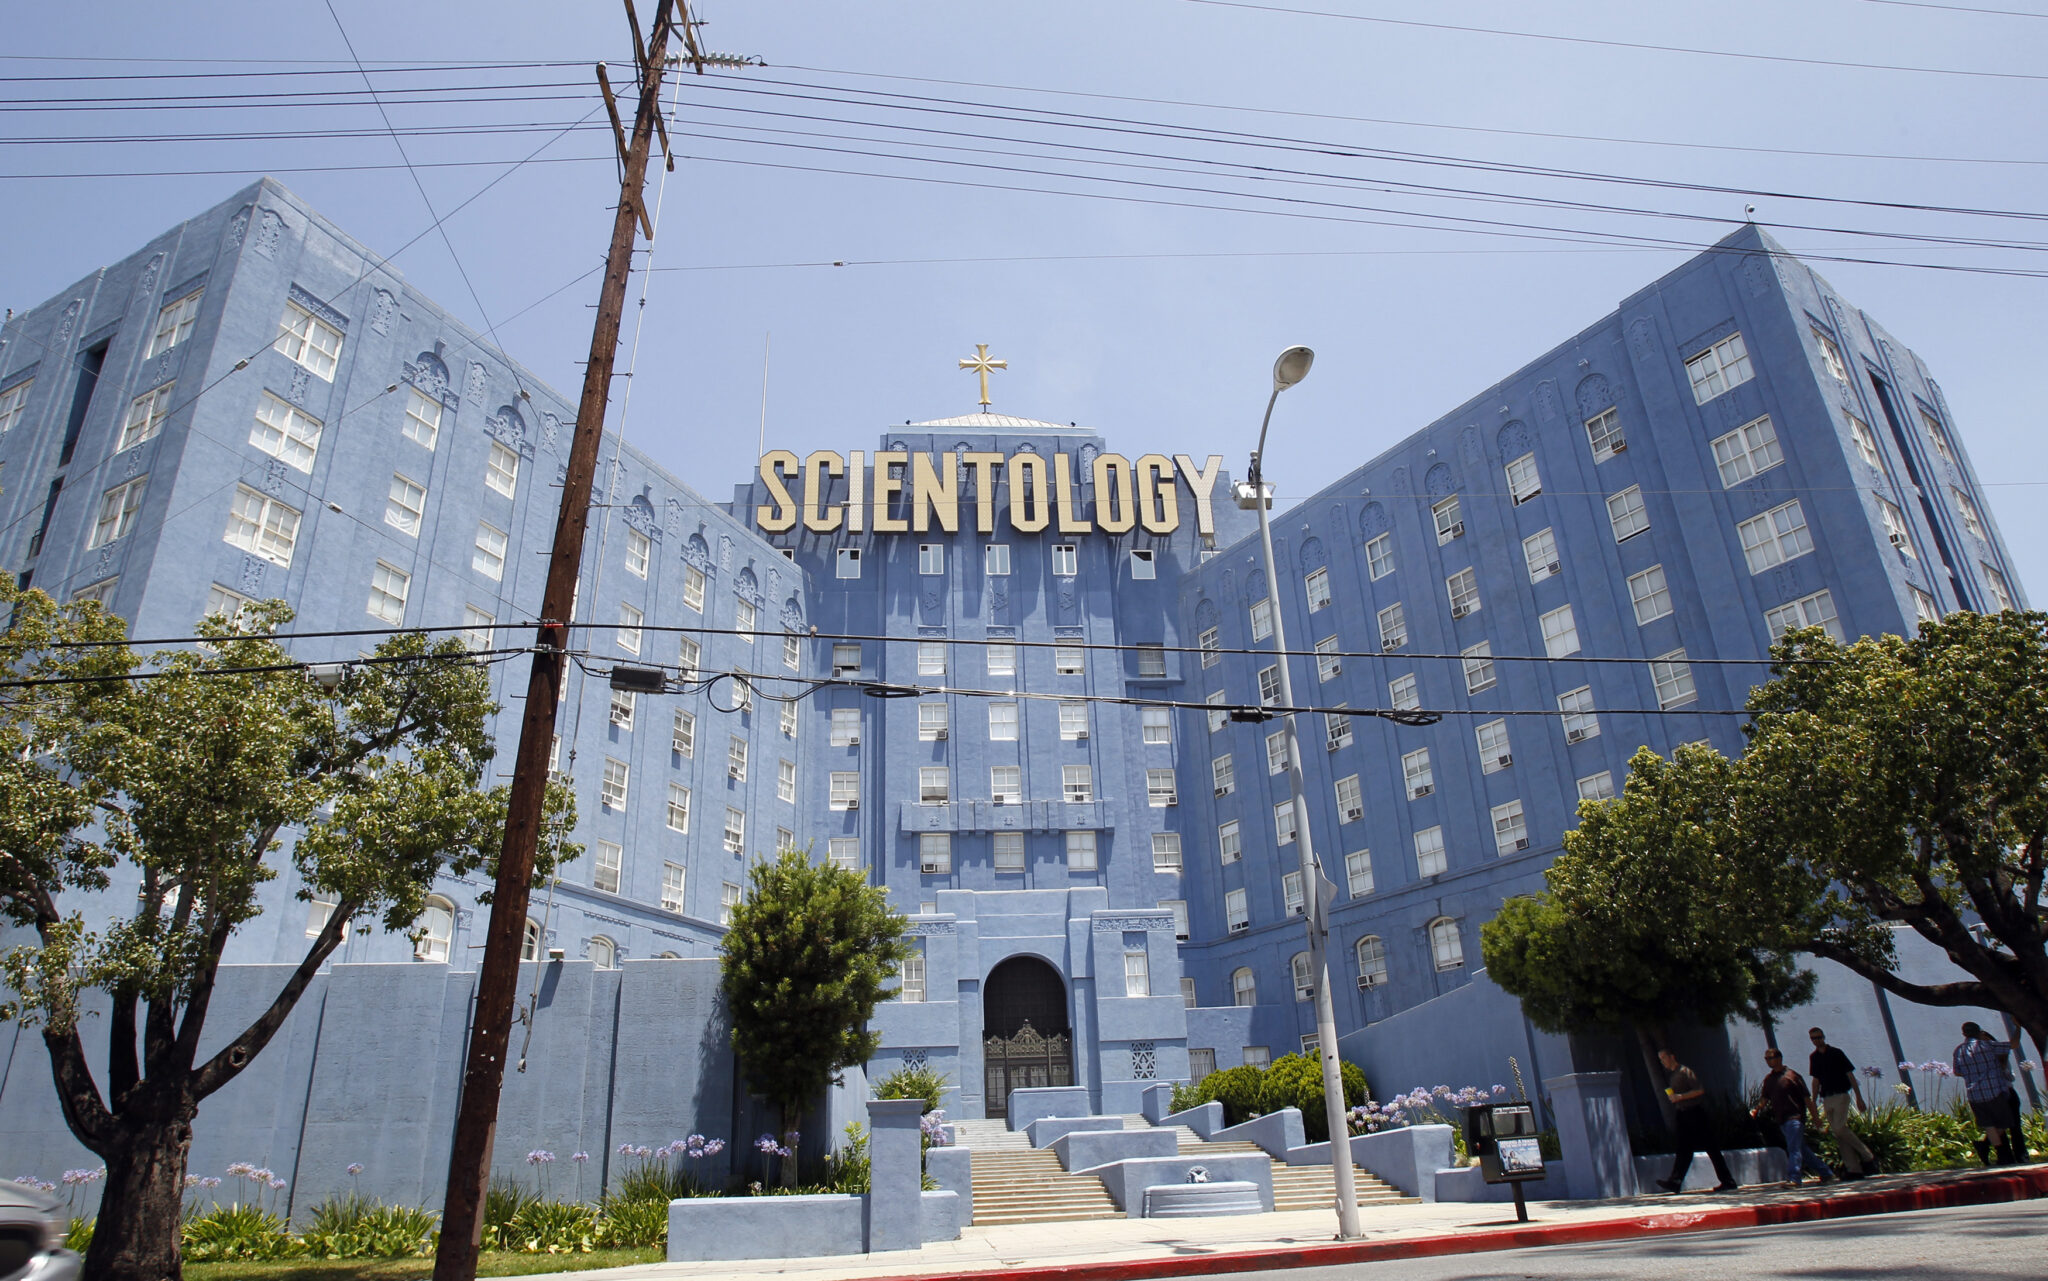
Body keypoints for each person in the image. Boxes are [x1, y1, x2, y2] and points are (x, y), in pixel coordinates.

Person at [1655, 1049, 1739, 1194]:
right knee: (1684, 1149)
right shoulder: (1673, 1075)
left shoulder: (1685, 1071)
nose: (1663, 1062)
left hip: (1694, 1113)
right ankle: (1675, 1181)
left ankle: (1727, 1180)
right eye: (1660, 1059)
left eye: (1664, 1058)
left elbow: (1699, 1090)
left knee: (1710, 1146)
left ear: (1672, 1056)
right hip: (1683, 1113)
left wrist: (1680, 1097)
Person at [1753, 1047, 1833, 1186]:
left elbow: (1806, 1098)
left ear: (1779, 1058)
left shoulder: (1792, 1076)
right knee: (1801, 1148)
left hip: (1795, 1118)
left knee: (1793, 1148)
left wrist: (1816, 1118)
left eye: (1771, 1058)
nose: (1768, 1061)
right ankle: (1826, 1173)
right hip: (1782, 1120)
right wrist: (1756, 1109)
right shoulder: (1769, 1079)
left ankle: (1794, 1178)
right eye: (1766, 1059)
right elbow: (1764, 1098)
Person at [1808, 1027, 1877, 1179]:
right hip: (1827, 1097)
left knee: (1839, 1129)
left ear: (1824, 1037)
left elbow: (1850, 1075)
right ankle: (1854, 1169)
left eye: (1819, 1037)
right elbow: (1816, 1080)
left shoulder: (1836, 1053)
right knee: (1839, 1135)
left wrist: (1859, 1097)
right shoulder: (1814, 1058)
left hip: (1841, 1095)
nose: (1817, 1040)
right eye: (1813, 1038)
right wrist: (1813, 1101)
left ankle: (1867, 1155)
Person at [1953, 1022, 2022, 1166]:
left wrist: (1972, 1072)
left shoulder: (1959, 1050)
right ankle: (1985, 1146)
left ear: (1964, 1034)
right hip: (1994, 1091)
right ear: (1979, 1032)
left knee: (1989, 1125)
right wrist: (2018, 1028)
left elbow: (1957, 1071)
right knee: (2006, 1123)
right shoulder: (1988, 1046)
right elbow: (2013, 1044)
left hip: (1974, 1094)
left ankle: (1999, 1155)